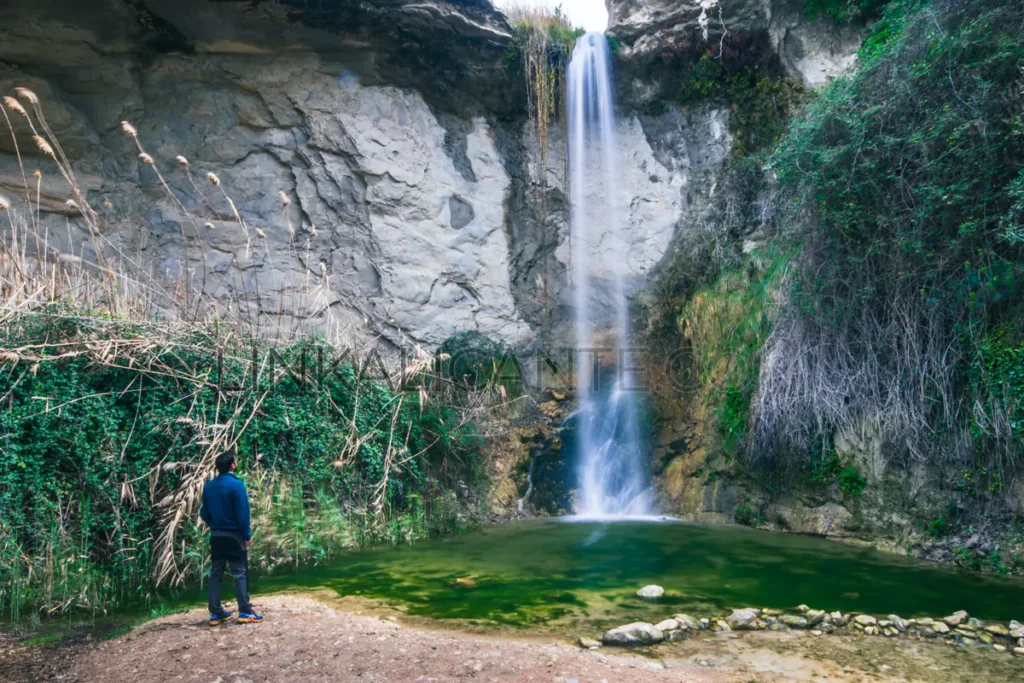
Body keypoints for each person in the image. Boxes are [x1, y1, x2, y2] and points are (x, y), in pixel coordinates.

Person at [199, 451, 263, 626]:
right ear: (232, 465)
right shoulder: (237, 486)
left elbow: (203, 512)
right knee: (240, 573)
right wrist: (247, 536)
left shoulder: (209, 486)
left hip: (216, 536)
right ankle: (245, 611)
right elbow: (243, 514)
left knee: (215, 574)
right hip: (234, 536)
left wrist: (214, 524)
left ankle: (216, 613)